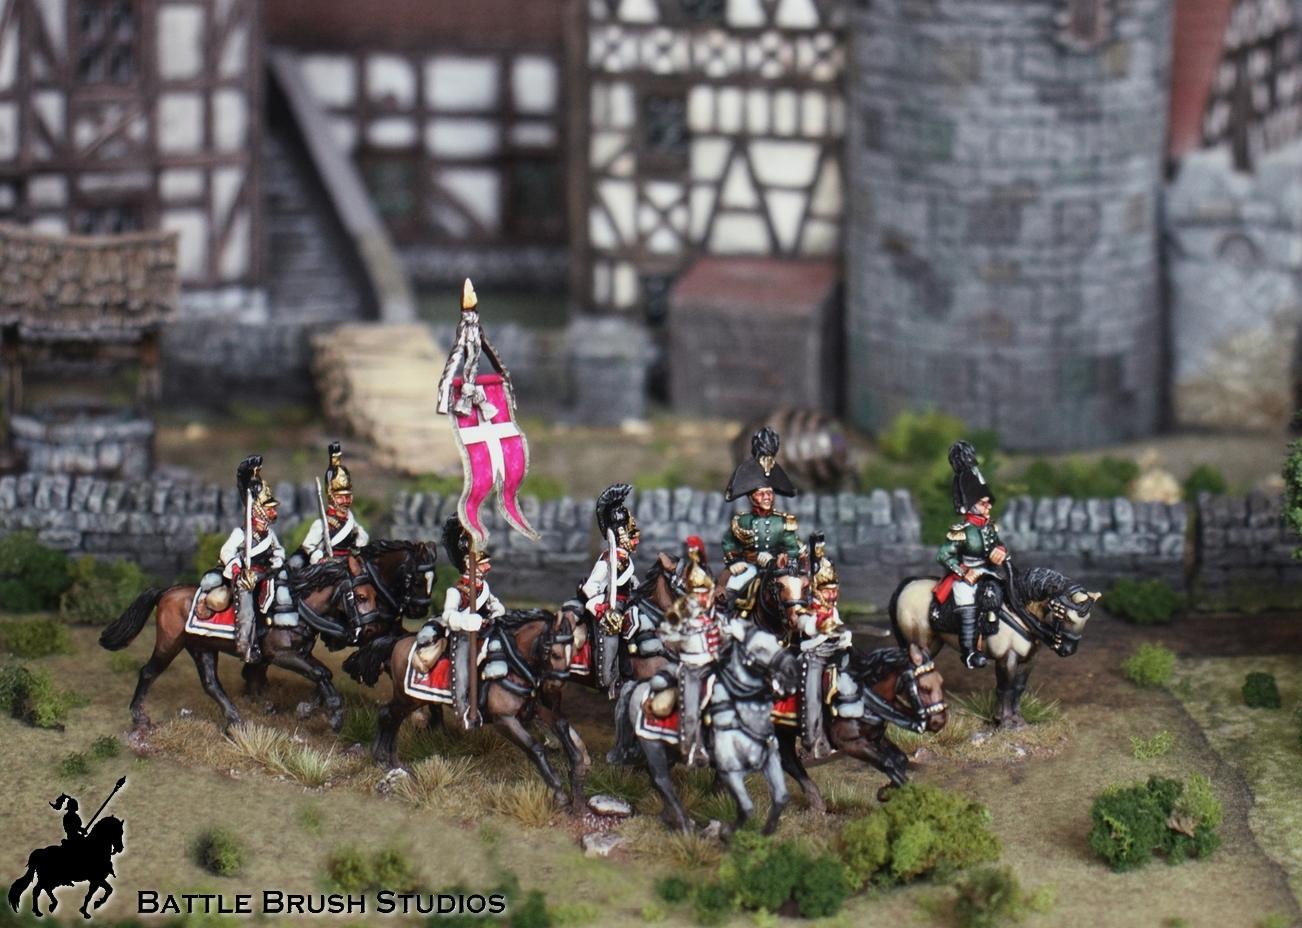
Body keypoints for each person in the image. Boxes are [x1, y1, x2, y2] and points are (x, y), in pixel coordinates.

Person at [197, 456, 291, 663]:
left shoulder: (269, 534)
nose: (273, 511)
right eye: (269, 508)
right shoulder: (241, 534)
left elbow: (278, 552)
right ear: (257, 510)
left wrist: (276, 562)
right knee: (246, 603)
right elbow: (227, 552)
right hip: (244, 576)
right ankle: (246, 645)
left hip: (265, 573)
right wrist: (239, 570)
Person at [414, 517, 505, 724]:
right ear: (470, 565)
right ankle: (463, 708)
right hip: (461, 633)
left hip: (484, 630)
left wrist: (495, 612)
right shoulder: (456, 591)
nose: (487, 568)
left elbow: (495, 605)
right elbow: (449, 615)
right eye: (483, 564)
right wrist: (467, 622)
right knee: (463, 663)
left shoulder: (484, 588)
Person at [934, 440, 1008, 669]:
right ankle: (969, 652)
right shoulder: (962, 531)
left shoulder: (990, 527)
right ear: (971, 505)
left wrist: (1000, 551)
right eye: (983, 503)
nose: (988, 506)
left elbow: (999, 545)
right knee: (966, 599)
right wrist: (964, 572)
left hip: (989, 572)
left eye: (988, 502)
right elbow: (943, 555)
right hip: (965, 575)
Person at [720, 427, 804, 612]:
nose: (767, 498)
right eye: (761, 494)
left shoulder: (782, 522)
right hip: (750, 566)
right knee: (733, 586)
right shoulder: (742, 522)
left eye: (769, 493)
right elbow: (729, 542)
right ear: (751, 498)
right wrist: (735, 562)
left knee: (797, 591)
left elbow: (792, 548)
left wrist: (779, 559)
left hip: (777, 569)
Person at [578, 483, 642, 688]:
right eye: (631, 533)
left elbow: (627, 582)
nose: (636, 537)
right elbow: (590, 588)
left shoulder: (625, 560)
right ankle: (610, 679)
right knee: (611, 637)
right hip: (609, 612)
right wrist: (603, 611)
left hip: (626, 606)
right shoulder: (608, 560)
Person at [300, 442, 370, 564]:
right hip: (328, 564)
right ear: (332, 497)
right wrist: (319, 557)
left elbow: (361, 538)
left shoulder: (350, 521)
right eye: (341, 498)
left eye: (347, 497)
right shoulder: (322, 523)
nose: (345, 501)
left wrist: (359, 538)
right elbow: (308, 545)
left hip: (348, 561)